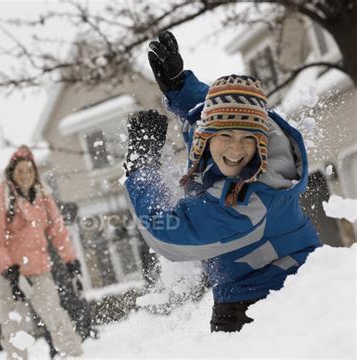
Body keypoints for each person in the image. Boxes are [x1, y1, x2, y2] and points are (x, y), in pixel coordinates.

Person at [124, 31, 321, 333]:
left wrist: (141, 166)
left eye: (247, 140)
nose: (235, 150)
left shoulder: (246, 205)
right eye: (225, 137)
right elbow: (223, 114)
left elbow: (166, 235)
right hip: (263, 286)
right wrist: (180, 87)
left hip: (271, 300)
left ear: (261, 143)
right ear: (207, 136)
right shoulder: (255, 150)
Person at [0, 145, 83, 359]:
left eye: (29, 170)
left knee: (56, 318)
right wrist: (10, 272)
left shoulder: (43, 198)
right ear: (11, 173)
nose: (25, 176)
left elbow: (58, 232)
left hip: (39, 271)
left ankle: (74, 355)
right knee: (15, 330)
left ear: (35, 173)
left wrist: (71, 260)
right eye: (20, 171)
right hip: (8, 275)